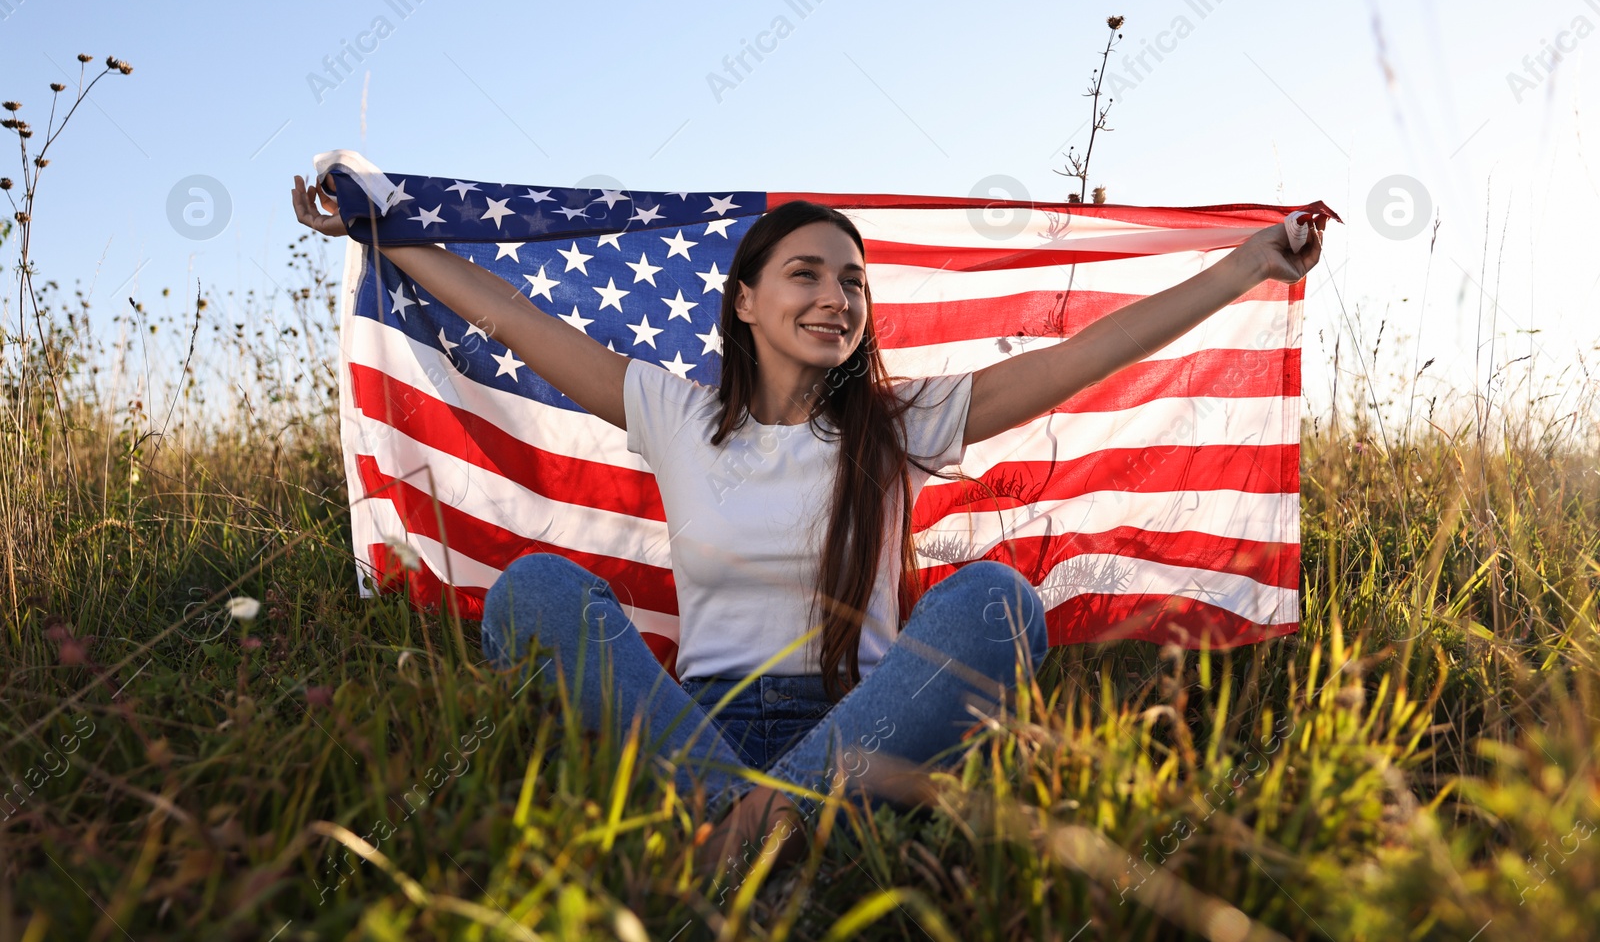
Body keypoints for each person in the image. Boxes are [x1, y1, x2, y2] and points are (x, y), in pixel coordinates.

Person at [291, 174, 1326, 888]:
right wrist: (377, 232)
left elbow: (1085, 356)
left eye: (852, 281)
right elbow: (514, 318)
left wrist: (1244, 266)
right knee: (535, 590)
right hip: (691, 731)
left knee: (998, 602)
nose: (836, 297)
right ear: (743, 299)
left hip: (870, 730)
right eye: (807, 273)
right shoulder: (674, 411)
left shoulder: (897, 422)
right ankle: (770, 822)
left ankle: (746, 826)